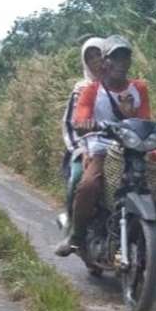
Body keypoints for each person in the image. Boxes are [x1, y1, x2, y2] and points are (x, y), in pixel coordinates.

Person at [54, 35, 156, 257]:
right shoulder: (91, 90)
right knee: (87, 186)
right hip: (103, 150)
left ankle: (154, 238)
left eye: (125, 57)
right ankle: (76, 237)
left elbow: (144, 120)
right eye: (115, 57)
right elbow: (80, 117)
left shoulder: (139, 88)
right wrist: (85, 124)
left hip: (134, 149)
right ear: (105, 62)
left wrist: (139, 120)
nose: (121, 62)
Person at [60, 37, 105, 221]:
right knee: (78, 177)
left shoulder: (118, 84)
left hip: (116, 145)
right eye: (90, 57)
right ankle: (72, 225)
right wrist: (79, 150)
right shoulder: (81, 88)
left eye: (99, 55)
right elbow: (70, 124)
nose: (95, 61)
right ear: (85, 62)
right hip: (83, 146)